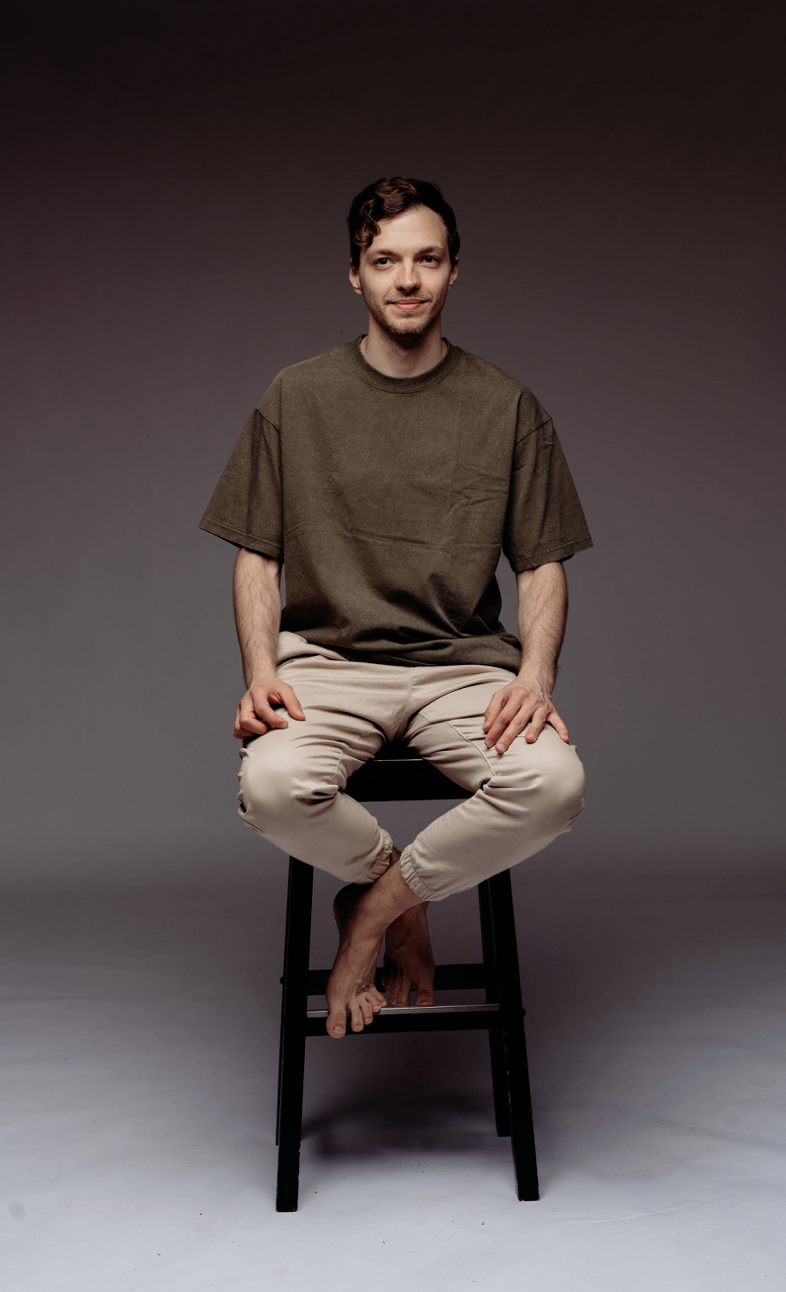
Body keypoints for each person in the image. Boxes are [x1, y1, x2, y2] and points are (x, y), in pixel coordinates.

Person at [199, 176, 593, 1039]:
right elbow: (256, 554)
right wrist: (261, 672)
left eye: (427, 259)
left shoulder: (507, 406)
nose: (407, 279)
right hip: (330, 665)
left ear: (455, 272)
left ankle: (368, 914)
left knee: (554, 786)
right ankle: (405, 906)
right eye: (386, 261)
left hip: (461, 668)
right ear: (356, 276)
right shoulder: (294, 398)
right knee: (270, 787)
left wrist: (536, 673)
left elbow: (544, 563)